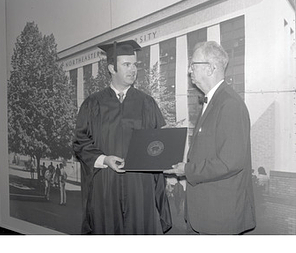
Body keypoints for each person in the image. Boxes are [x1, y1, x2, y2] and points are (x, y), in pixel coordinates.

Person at [73, 40, 172, 234]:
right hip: (105, 185)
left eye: (135, 64)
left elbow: (159, 143)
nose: (133, 69)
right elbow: (80, 142)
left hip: (139, 186)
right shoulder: (93, 104)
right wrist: (104, 160)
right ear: (112, 68)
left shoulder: (147, 103)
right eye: (126, 65)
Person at [165, 41, 256, 234]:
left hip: (219, 217)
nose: (189, 71)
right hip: (206, 214)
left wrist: (187, 169)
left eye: (193, 65)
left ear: (211, 68)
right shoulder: (215, 101)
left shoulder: (230, 104)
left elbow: (230, 162)